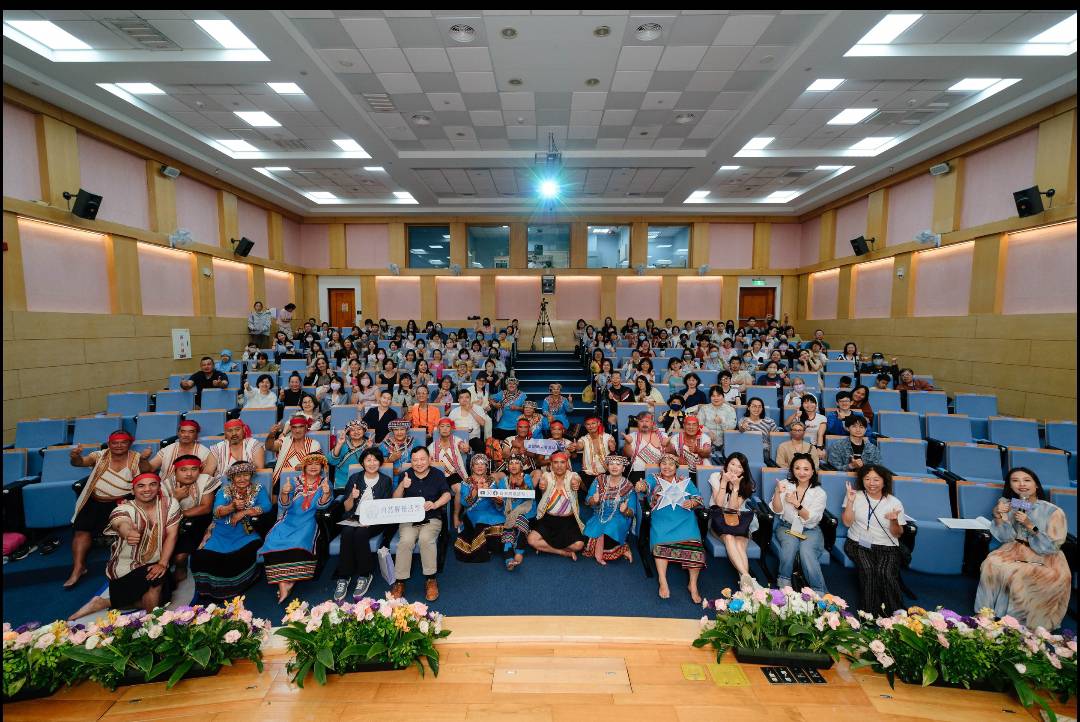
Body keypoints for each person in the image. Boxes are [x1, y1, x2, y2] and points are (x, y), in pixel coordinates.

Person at [68, 473, 181, 620]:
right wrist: (128, 532)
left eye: (152, 484)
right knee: (156, 584)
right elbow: (120, 522)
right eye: (141, 486)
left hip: (156, 563)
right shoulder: (124, 508)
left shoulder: (170, 504)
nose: (147, 489)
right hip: (126, 568)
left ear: (159, 487)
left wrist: (162, 563)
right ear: (133, 490)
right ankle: (152, 626)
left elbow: (172, 535)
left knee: (163, 598)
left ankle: (104, 602)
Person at [975, 467, 1070, 630]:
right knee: (991, 563)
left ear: (1036, 485)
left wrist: (1029, 525)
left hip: (1046, 557)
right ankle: (984, 614)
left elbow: (1052, 546)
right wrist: (998, 516)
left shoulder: (1053, 511)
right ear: (1010, 485)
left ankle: (1016, 623)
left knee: (1018, 573)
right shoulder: (1014, 505)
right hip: (1014, 549)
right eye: (1015, 480)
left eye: (1027, 480)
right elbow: (1006, 537)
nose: (1021, 484)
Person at [65, 430, 142, 589]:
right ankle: (79, 567)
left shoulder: (136, 458)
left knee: (125, 531)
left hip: (121, 502)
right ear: (109, 443)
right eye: (115, 442)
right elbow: (81, 462)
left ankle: (128, 567)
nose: (119, 446)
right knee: (81, 531)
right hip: (94, 500)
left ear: (130, 443)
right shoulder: (99, 455)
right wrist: (75, 457)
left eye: (123, 442)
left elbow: (145, 475)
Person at [189, 461, 270, 603]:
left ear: (251, 475)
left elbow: (267, 506)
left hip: (246, 533)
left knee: (244, 553)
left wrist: (243, 512)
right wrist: (232, 507)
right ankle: (209, 589)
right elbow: (217, 510)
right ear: (231, 478)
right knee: (200, 557)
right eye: (238, 476)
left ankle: (235, 587)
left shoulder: (258, 488)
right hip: (221, 531)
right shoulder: (224, 490)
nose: (242, 479)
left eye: (245, 475)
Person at [260, 453, 333, 603]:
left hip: (309, 519)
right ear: (304, 466)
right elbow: (284, 505)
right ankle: (283, 581)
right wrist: (285, 492)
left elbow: (321, 506)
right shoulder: (292, 481)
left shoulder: (326, 482)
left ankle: (289, 581)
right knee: (272, 540)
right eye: (310, 464)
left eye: (317, 464)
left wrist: (326, 493)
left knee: (300, 540)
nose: (313, 467)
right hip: (289, 518)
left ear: (322, 467)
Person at [637, 453, 705, 602]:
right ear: (660, 465)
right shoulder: (654, 478)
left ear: (676, 467)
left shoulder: (685, 481)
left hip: (684, 519)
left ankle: (692, 585)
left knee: (695, 548)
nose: (667, 467)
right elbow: (646, 486)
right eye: (664, 463)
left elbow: (698, 497)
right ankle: (663, 580)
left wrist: (692, 503)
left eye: (671, 464)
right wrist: (641, 486)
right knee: (661, 544)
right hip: (662, 519)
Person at [842, 464, 907, 616]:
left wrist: (894, 521)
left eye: (876, 479)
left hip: (887, 545)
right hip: (858, 542)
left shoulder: (894, 502)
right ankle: (868, 613)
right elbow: (847, 523)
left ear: (884, 481)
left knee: (885, 572)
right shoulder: (855, 495)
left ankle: (896, 613)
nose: (871, 483)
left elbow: (898, 534)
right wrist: (850, 502)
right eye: (867, 479)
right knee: (869, 570)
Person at [391, 447, 452, 602]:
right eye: (415, 460)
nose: (419, 463)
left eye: (422, 459)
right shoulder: (406, 474)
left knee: (426, 539)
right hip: (409, 519)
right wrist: (402, 486)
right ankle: (399, 582)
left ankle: (431, 579)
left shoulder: (437, 474)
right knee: (405, 541)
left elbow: (447, 495)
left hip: (431, 518)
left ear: (429, 459)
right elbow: (395, 499)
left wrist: (436, 504)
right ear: (411, 461)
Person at [332, 448, 393, 601]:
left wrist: (369, 520)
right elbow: (346, 507)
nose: (372, 463)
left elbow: (385, 507)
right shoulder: (354, 478)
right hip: (355, 516)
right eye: (368, 460)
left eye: (375, 460)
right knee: (346, 532)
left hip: (376, 519)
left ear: (380, 462)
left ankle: (364, 575)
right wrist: (352, 497)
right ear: (362, 462)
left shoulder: (386, 480)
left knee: (360, 533)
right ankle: (344, 577)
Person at [769, 454, 828, 594]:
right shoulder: (785, 484)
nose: (801, 472)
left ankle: (819, 591)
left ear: (813, 471)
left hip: (810, 529)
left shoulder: (819, 493)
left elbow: (813, 518)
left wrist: (797, 504)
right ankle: (784, 582)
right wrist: (777, 493)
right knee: (790, 545)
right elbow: (777, 510)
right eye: (797, 468)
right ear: (792, 470)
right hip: (786, 527)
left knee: (806, 551)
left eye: (806, 469)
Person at [162, 454, 219, 584]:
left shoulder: (205, 479)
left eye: (194, 469)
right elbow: (162, 513)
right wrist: (177, 499)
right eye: (183, 470)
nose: (189, 474)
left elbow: (205, 508)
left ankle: (180, 568)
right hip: (171, 521)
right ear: (174, 471)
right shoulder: (165, 485)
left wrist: (178, 513)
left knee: (180, 556)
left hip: (198, 519)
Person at [708, 452, 759, 590]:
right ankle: (749, 580)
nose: (735, 469)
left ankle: (745, 582)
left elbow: (733, 508)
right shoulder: (716, 477)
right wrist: (724, 482)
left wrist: (736, 487)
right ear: (727, 464)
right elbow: (719, 505)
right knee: (730, 538)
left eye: (740, 467)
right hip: (719, 522)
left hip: (739, 522)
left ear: (744, 470)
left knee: (740, 545)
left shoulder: (747, 484)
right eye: (732, 464)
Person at [582, 455, 640, 565]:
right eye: (611, 464)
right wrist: (594, 501)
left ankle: (619, 546)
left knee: (608, 534)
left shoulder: (628, 486)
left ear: (623, 468)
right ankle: (620, 548)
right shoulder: (599, 480)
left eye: (618, 464)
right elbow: (587, 500)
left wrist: (626, 510)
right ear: (607, 467)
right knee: (585, 539)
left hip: (619, 518)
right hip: (599, 516)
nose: (614, 466)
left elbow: (632, 512)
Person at [528, 453, 586, 560]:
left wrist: (576, 483)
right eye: (556, 462)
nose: (559, 465)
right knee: (531, 540)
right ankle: (562, 552)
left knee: (579, 545)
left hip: (568, 521)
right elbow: (543, 480)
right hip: (548, 519)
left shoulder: (573, 475)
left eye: (562, 462)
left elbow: (578, 479)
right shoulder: (547, 476)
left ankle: (545, 547)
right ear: (551, 465)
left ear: (567, 464)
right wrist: (542, 484)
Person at [453, 454, 506, 563]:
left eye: (483, 464)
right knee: (481, 520)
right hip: (474, 511)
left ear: (487, 467)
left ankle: (493, 547)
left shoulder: (492, 481)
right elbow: (466, 503)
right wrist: (476, 490)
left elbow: (499, 502)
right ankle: (482, 550)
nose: (480, 466)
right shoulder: (466, 482)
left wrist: (498, 500)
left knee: (503, 521)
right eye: (476, 464)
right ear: (472, 467)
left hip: (492, 510)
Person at [495, 455, 537, 571]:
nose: (513, 465)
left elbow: (530, 498)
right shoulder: (503, 482)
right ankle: (508, 559)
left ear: (521, 466)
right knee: (509, 527)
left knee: (520, 519)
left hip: (527, 512)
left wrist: (522, 485)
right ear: (507, 467)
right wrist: (498, 501)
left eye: (516, 463)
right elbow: (500, 505)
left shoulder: (527, 477)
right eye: (511, 463)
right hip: (509, 513)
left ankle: (519, 552)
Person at [266, 416, 323, 502]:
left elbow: (317, 465)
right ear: (291, 429)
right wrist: (271, 436)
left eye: (301, 427)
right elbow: (270, 447)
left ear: (306, 427)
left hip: (305, 482)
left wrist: (303, 466)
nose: (297, 430)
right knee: (275, 505)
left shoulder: (314, 444)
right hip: (281, 481)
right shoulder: (284, 440)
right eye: (294, 427)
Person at [143, 419, 216, 481]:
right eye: (183, 431)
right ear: (178, 433)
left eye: (191, 432)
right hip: (164, 488)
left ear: (196, 435)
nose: (186, 435)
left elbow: (206, 477)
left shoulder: (204, 452)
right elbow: (150, 469)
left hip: (192, 490)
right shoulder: (167, 450)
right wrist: (143, 459)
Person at [622, 412, 668, 485]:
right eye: (641, 421)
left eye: (647, 421)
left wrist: (667, 445)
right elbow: (628, 455)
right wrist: (627, 443)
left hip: (659, 471)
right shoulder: (632, 436)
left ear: (652, 423)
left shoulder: (662, 436)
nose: (644, 424)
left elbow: (670, 454)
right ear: (638, 423)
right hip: (638, 472)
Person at [328, 419, 374, 490]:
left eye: (359, 429)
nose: (356, 432)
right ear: (348, 433)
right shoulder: (343, 445)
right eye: (352, 430)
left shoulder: (369, 445)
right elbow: (331, 461)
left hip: (364, 482)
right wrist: (339, 443)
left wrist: (369, 449)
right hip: (343, 483)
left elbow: (372, 466)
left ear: (364, 430)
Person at [696, 385, 737, 463]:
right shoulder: (704, 409)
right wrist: (707, 432)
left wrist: (721, 422)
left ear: (723, 396)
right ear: (710, 397)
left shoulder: (730, 409)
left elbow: (732, 426)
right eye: (713, 396)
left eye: (718, 395)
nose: (716, 398)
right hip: (708, 441)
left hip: (726, 442)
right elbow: (698, 425)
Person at [667, 415, 712, 479]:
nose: (691, 427)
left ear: (698, 427)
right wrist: (676, 459)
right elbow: (669, 454)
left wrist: (698, 450)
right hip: (682, 471)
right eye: (688, 424)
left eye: (694, 425)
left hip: (701, 471)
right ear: (684, 426)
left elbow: (707, 453)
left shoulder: (704, 437)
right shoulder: (676, 438)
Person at [380, 419, 416, 485]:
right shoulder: (384, 444)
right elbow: (379, 464)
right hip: (391, 478)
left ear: (406, 430)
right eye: (396, 430)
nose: (399, 432)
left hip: (412, 477)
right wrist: (390, 460)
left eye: (402, 429)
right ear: (392, 431)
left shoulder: (414, 442)